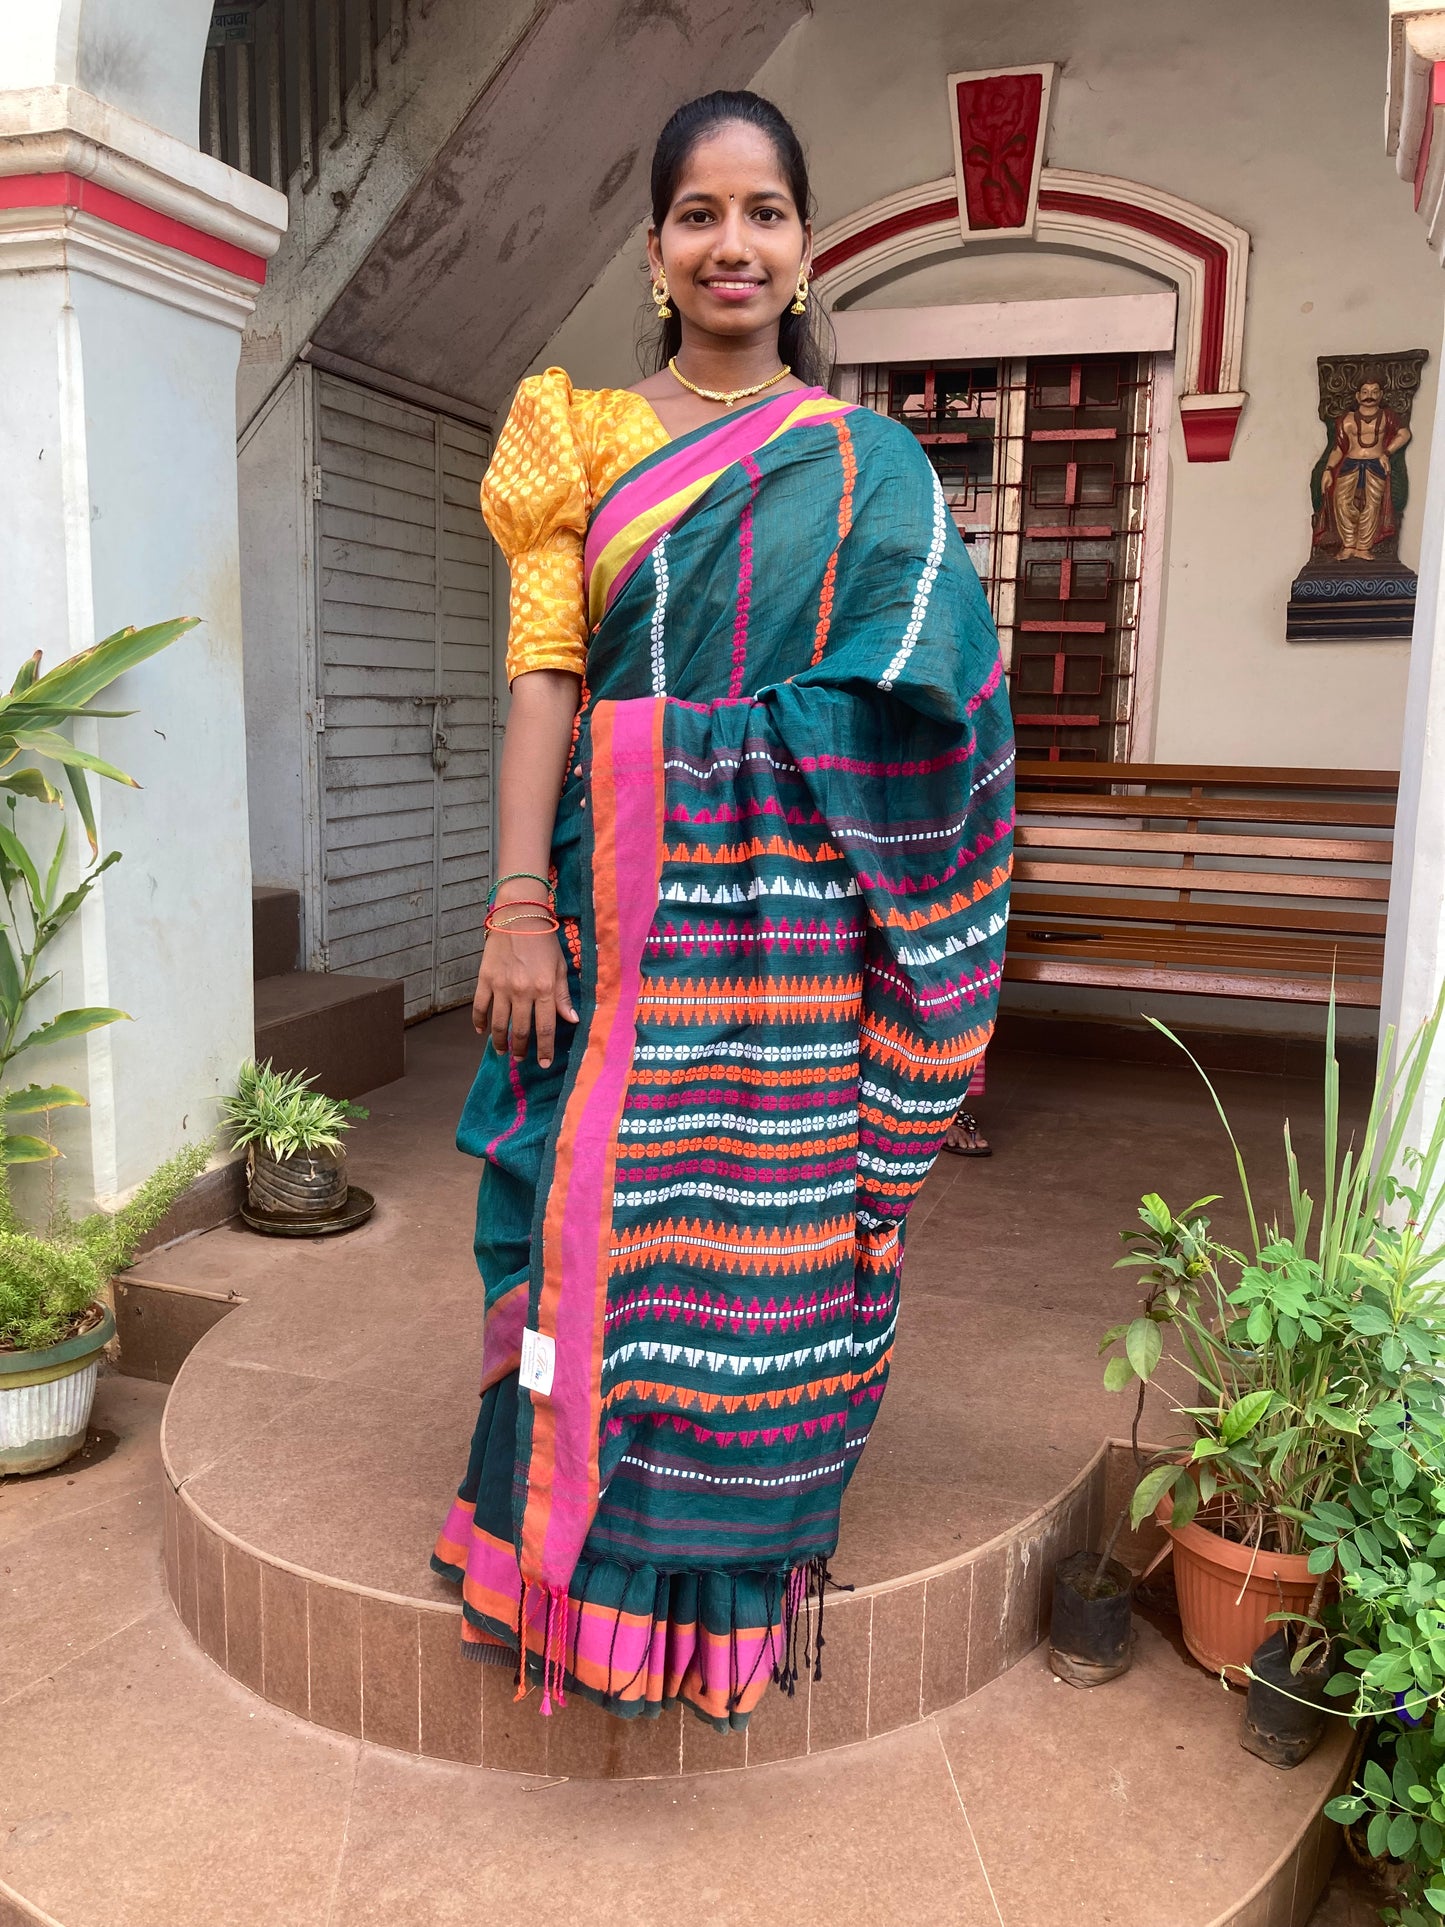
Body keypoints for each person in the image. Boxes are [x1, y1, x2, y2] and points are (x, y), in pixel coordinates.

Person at [431, 90, 1015, 1731]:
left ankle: (709, 1614)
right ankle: (548, 1565)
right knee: (574, 1233)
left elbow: (936, 702)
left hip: (783, 961)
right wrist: (515, 898)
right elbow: (548, 681)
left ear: (807, 252)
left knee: (750, 1272)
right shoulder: (581, 440)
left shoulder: (867, 467)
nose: (731, 242)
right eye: (699, 213)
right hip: (605, 933)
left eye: (763, 212)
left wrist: (709, 774)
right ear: (653, 249)